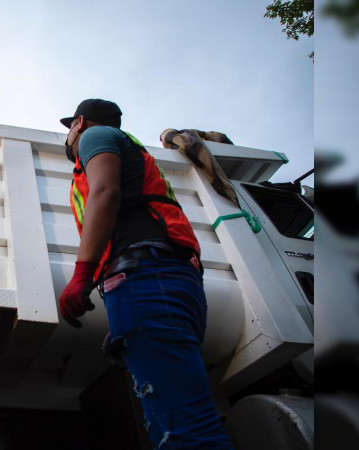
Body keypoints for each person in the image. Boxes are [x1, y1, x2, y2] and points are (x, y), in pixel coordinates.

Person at [58, 99, 234, 449]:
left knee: (185, 434)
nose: (69, 137)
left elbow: (106, 193)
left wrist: (82, 275)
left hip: (148, 277)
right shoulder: (132, 153)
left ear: (79, 122)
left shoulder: (97, 136)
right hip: (164, 279)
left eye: (70, 129)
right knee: (175, 424)